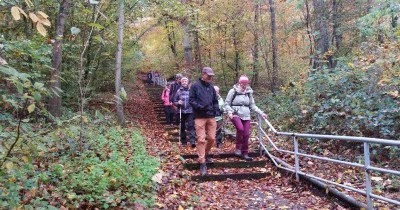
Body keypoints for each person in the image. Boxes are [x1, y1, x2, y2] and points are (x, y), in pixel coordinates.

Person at [224, 75, 267, 161]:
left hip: (246, 115)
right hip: (235, 113)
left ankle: (245, 153)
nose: (244, 85)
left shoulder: (249, 92)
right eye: (243, 83)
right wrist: (229, 111)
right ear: (239, 83)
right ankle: (238, 148)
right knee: (240, 129)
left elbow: (252, 105)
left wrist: (261, 113)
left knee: (246, 134)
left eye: (246, 83)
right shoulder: (233, 91)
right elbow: (227, 103)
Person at [189, 67, 220, 176]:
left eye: (211, 75)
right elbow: (191, 100)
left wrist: (217, 110)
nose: (210, 77)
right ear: (203, 74)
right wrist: (200, 107)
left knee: (212, 138)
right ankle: (202, 162)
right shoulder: (195, 86)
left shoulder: (211, 88)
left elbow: (215, 101)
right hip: (199, 117)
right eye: (209, 75)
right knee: (201, 139)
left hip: (211, 116)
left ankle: (205, 154)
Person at [174, 77, 196, 147]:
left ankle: (192, 141)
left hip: (190, 111)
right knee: (182, 126)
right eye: (183, 81)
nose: (184, 82)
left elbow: (195, 100)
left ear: (188, 82)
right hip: (182, 110)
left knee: (191, 125)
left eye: (185, 81)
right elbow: (174, 101)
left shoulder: (191, 91)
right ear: (181, 82)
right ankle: (183, 141)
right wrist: (178, 103)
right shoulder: (178, 91)